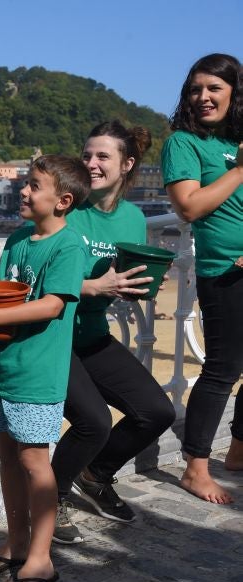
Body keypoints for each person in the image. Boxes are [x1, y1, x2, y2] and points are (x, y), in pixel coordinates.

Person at [0, 155, 87, 582]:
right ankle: (17, 542)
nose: (24, 190)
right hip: (5, 370)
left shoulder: (68, 246)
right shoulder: (18, 239)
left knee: (36, 461)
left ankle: (41, 556)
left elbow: (53, 304)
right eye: (26, 183)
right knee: (10, 458)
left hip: (38, 376)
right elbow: (2, 291)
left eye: (35, 185)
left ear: (63, 201)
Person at [49, 122, 177, 544]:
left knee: (157, 411)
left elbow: (121, 281)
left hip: (92, 334)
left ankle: (96, 473)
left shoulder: (133, 218)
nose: (91, 164)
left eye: (102, 157)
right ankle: (52, 498)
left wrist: (133, 287)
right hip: (54, 336)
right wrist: (93, 287)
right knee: (94, 421)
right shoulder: (65, 207)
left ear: (127, 165)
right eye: (87, 155)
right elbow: (39, 275)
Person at [162, 53, 243, 504]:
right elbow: (188, 207)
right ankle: (195, 466)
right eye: (196, 89)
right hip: (223, 271)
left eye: (214, 88)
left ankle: (237, 452)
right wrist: (239, 169)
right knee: (222, 370)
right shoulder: (184, 143)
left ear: (234, 92)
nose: (203, 97)